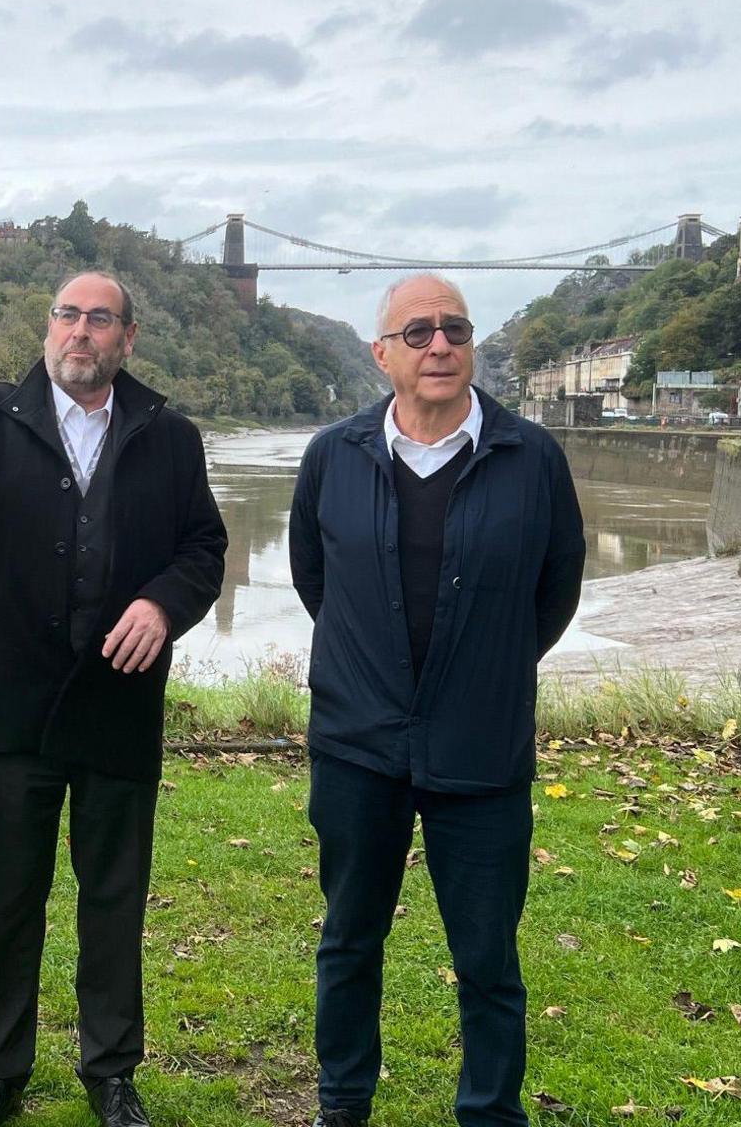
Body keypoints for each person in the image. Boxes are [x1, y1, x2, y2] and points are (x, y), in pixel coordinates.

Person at [0, 271, 227, 1127]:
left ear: (127, 339)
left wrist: (162, 605)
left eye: (98, 319)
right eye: (67, 316)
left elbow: (205, 546)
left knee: (113, 894)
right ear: (48, 328)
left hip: (116, 699)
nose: (79, 331)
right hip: (9, 701)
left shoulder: (170, 435)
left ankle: (111, 1073)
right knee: (9, 892)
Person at [287, 273, 585, 1127]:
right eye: (416, 333)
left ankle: (489, 1114)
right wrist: (371, 668)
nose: (439, 345)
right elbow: (319, 582)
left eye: (453, 329)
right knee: (349, 940)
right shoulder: (331, 456)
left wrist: (484, 668)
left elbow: (553, 591)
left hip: (482, 747)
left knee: (487, 955)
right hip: (357, 743)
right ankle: (342, 1105)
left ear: (473, 345)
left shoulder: (532, 459)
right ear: (382, 355)